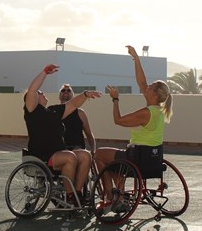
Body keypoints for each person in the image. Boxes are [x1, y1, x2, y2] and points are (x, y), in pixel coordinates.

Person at [94, 45, 174, 212]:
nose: (146, 87)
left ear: (154, 94)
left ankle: (113, 196)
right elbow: (141, 81)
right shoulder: (159, 110)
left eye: (150, 87)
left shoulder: (146, 113)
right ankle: (118, 192)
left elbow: (118, 120)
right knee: (116, 160)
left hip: (136, 157)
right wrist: (136, 58)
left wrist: (115, 100)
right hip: (152, 158)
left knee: (99, 154)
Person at [24, 64, 102, 205]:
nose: (42, 93)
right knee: (70, 156)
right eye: (40, 93)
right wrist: (45, 72)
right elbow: (32, 90)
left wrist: (85, 94)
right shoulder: (32, 112)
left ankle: (77, 194)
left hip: (58, 152)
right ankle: (70, 195)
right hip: (43, 155)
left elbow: (71, 105)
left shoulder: (53, 111)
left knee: (85, 155)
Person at [51, 83, 96, 153]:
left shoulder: (80, 113)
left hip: (78, 151)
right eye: (63, 90)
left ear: (73, 96)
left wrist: (93, 150)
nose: (65, 92)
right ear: (59, 96)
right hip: (60, 151)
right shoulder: (54, 111)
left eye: (69, 90)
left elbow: (89, 134)